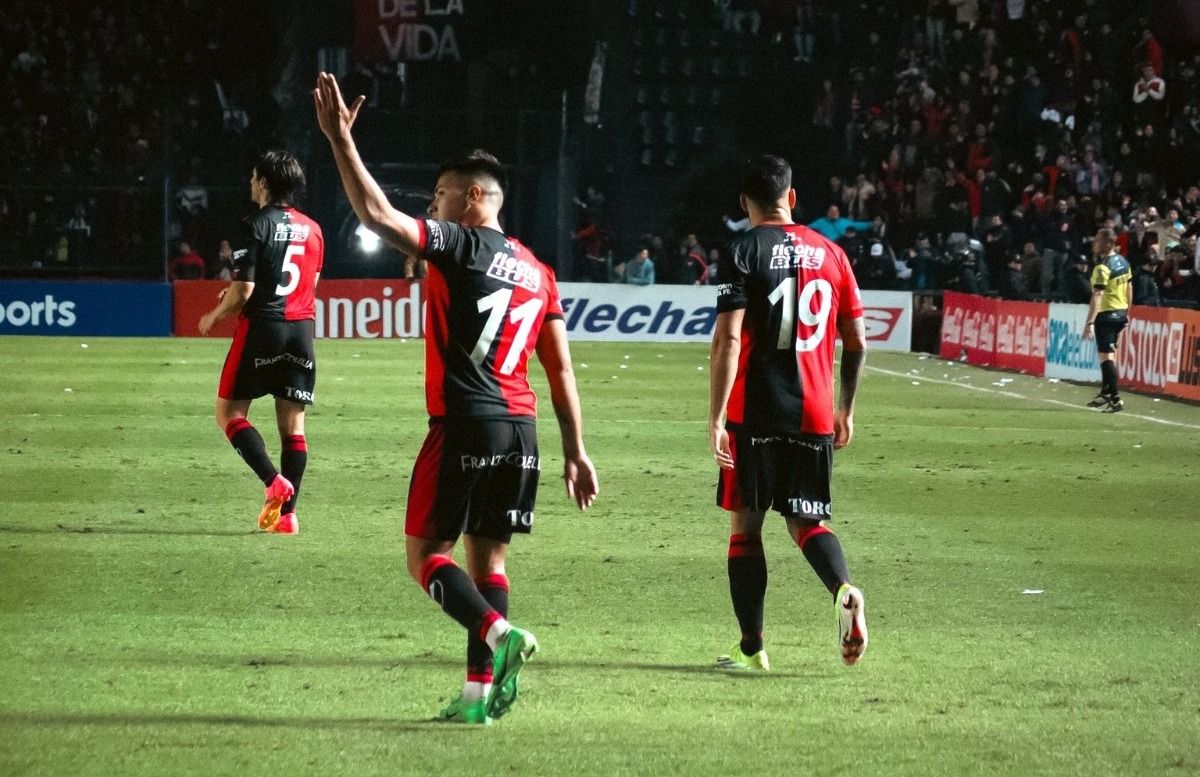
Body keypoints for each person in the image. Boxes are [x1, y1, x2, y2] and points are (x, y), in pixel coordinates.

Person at [313, 72, 598, 724]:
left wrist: (339, 141)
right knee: (487, 557)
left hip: (467, 422)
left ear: (475, 197)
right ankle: (477, 697)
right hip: (522, 431)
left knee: (426, 555)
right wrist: (576, 451)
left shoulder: (461, 245)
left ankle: (501, 636)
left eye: (440, 196)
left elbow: (376, 216)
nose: (433, 207)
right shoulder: (539, 271)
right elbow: (560, 370)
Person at [709, 154, 868, 673]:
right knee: (806, 520)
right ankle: (843, 588)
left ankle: (752, 647)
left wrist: (715, 417)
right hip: (816, 412)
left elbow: (730, 338)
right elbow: (858, 341)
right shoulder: (833, 254)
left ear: (744, 204)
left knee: (745, 529)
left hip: (754, 412)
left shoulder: (740, 251)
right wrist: (846, 408)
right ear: (792, 197)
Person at [198, 150, 323, 535]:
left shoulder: (253, 224)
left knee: (230, 415)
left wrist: (215, 315)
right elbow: (310, 285)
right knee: (294, 428)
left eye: (254, 177)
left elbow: (245, 290)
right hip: (301, 330)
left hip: (263, 329)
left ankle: (273, 481)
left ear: (266, 183)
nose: (250, 183)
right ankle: (288, 517)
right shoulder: (314, 229)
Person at [1084, 228, 1131, 413]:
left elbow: (1097, 295)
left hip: (1106, 314)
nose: (1095, 244)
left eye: (1098, 240)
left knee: (1106, 358)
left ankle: (1116, 399)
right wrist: (1128, 312)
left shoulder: (1103, 267)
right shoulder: (1123, 262)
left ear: (1108, 244)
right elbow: (1129, 288)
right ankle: (1105, 392)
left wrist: (1090, 322)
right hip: (1120, 313)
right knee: (1109, 355)